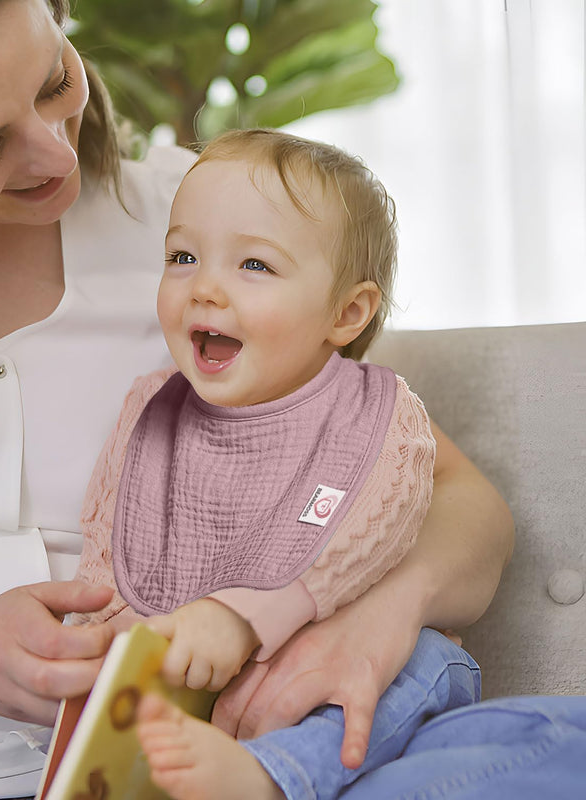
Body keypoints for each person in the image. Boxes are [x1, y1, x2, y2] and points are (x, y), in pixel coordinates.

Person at [0, 0, 514, 799]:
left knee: (547, 744)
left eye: (55, 79)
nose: (53, 153)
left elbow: (444, 491)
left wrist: (377, 622)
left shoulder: (205, 221)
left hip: (179, 765)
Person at [71, 128, 479, 799]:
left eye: (253, 266)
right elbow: (114, 540)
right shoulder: (153, 408)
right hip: (208, 692)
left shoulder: (373, 416)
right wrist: (108, 645)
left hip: (341, 671)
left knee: (427, 665)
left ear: (347, 312)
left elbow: (362, 531)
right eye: (182, 256)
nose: (204, 287)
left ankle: (273, 777)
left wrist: (239, 617)